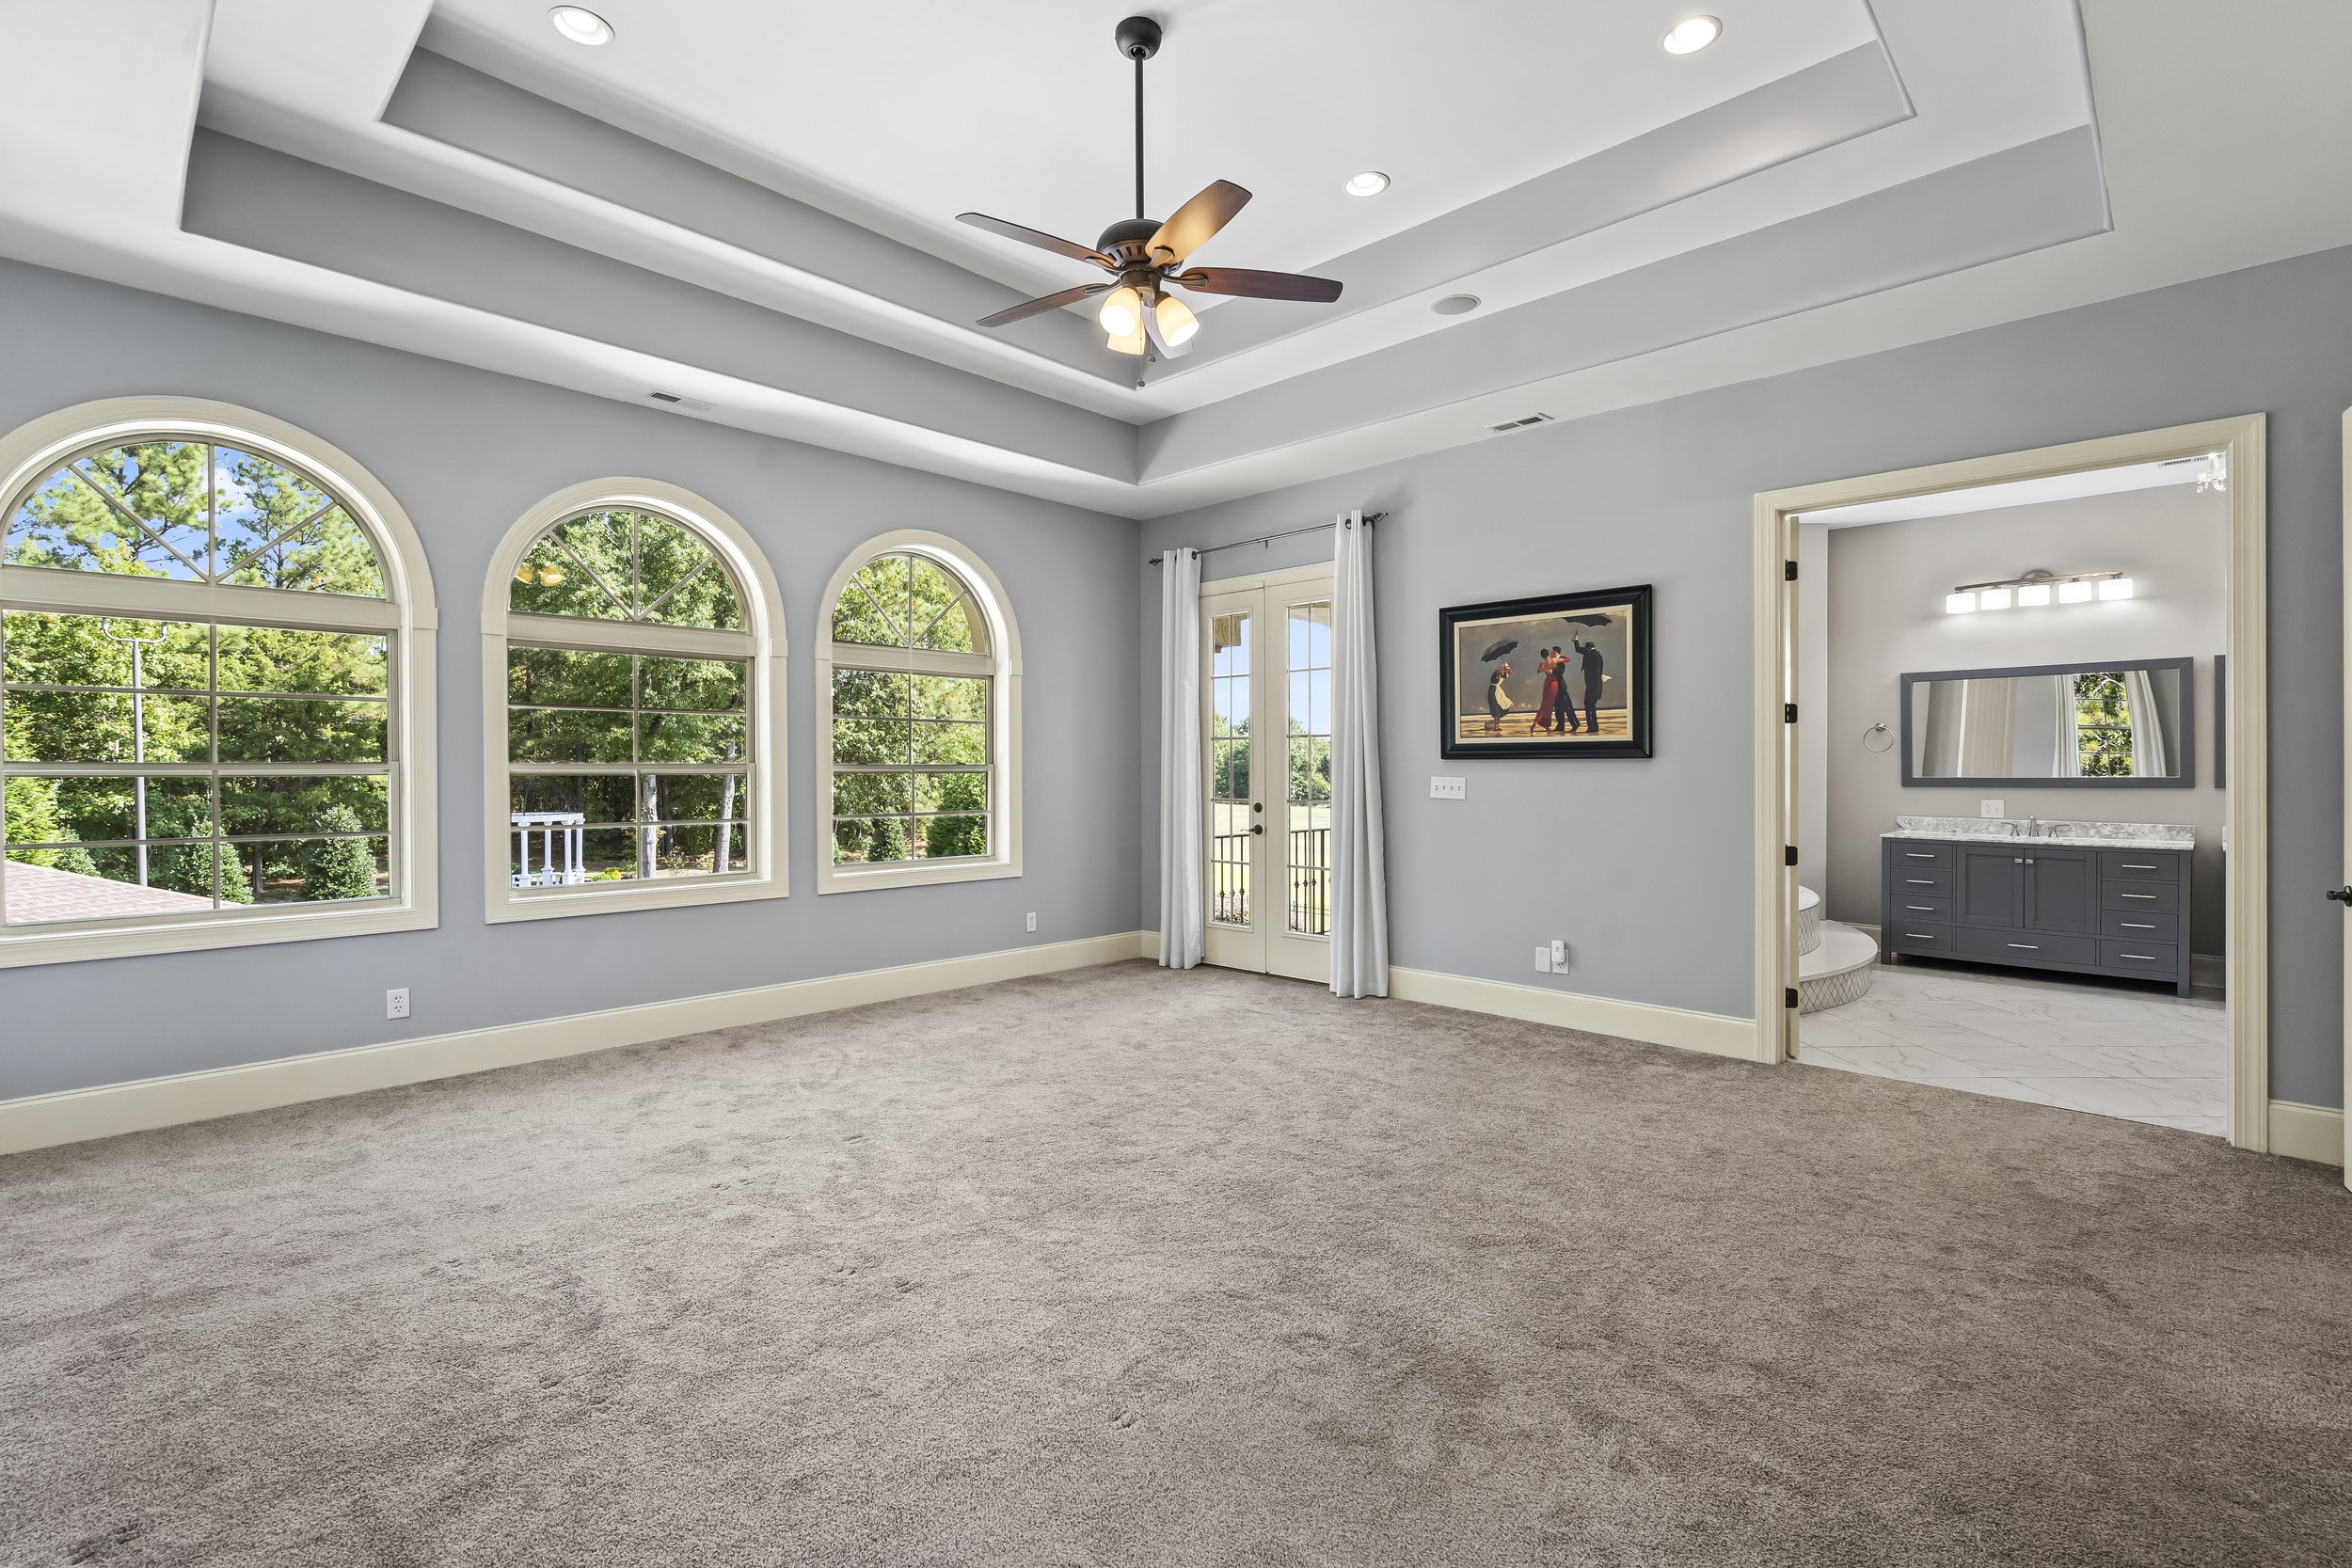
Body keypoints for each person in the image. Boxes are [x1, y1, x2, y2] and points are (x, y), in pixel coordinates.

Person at [1572, 633, 1605, 736]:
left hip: (1591, 685)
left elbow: (1578, 649)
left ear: (1588, 649)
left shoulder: (1589, 653)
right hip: (1597, 685)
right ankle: (1595, 726)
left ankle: (1591, 727)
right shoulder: (1599, 655)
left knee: (1588, 704)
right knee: (1592, 706)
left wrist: (1576, 639)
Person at [1534, 647, 1560, 734]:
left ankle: (1535, 724)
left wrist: (1543, 668)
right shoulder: (1552, 661)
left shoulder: (1543, 664)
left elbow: (1538, 671)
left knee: (1544, 705)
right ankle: (1545, 726)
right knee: (1548, 706)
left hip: (1547, 684)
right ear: (1548, 653)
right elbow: (1567, 660)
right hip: (1553, 684)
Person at [1486, 659, 1513, 735]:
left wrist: (1508, 670)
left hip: (1497, 691)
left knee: (1498, 709)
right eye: (1505, 669)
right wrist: (1503, 669)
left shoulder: (1503, 673)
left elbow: (1507, 674)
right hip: (1493, 692)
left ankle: (1496, 726)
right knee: (1496, 709)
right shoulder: (1498, 671)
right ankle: (1496, 727)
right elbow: (1499, 672)